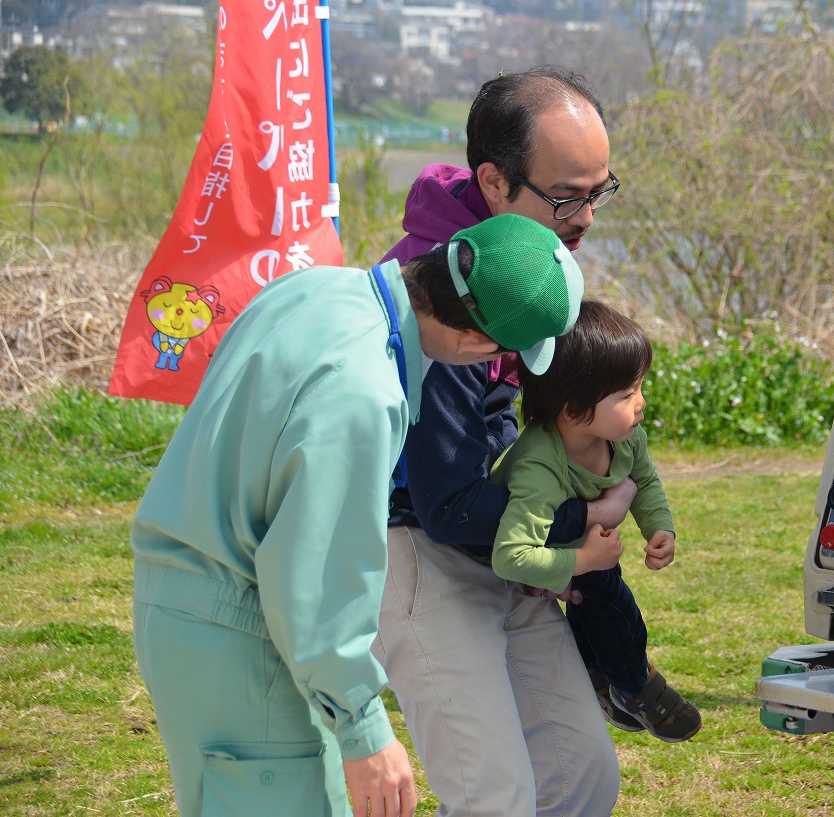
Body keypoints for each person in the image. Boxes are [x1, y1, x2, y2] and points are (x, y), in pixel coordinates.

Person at [130, 213, 583, 817]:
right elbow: (314, 575)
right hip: (245, 631)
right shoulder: (364, 393)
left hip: (185, 601)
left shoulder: (314, 288)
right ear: (480, 346)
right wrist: (363, 727)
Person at [373, 66, 631, 816]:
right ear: (493, 182)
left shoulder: (516, 264)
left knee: (580, 775)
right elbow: (447, 499)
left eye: (599, 190)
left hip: (489, 546)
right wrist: (577, 527)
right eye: (566, 196)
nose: (586, 217)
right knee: (497, 798)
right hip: (417, 554)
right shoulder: (453, 300)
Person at [491, 300, 703, 743]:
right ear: (573, 410)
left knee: (592, 601)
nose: (641, 404)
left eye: (639, 388)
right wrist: (584, 559)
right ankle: (634, 685)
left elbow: (644, 480)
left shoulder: (624, 438)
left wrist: (659, 527)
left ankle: (600, 678)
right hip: (514, 573)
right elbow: (509, 557)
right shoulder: (539, 466)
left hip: (569, 554)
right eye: (626, 395)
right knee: (609, 597)